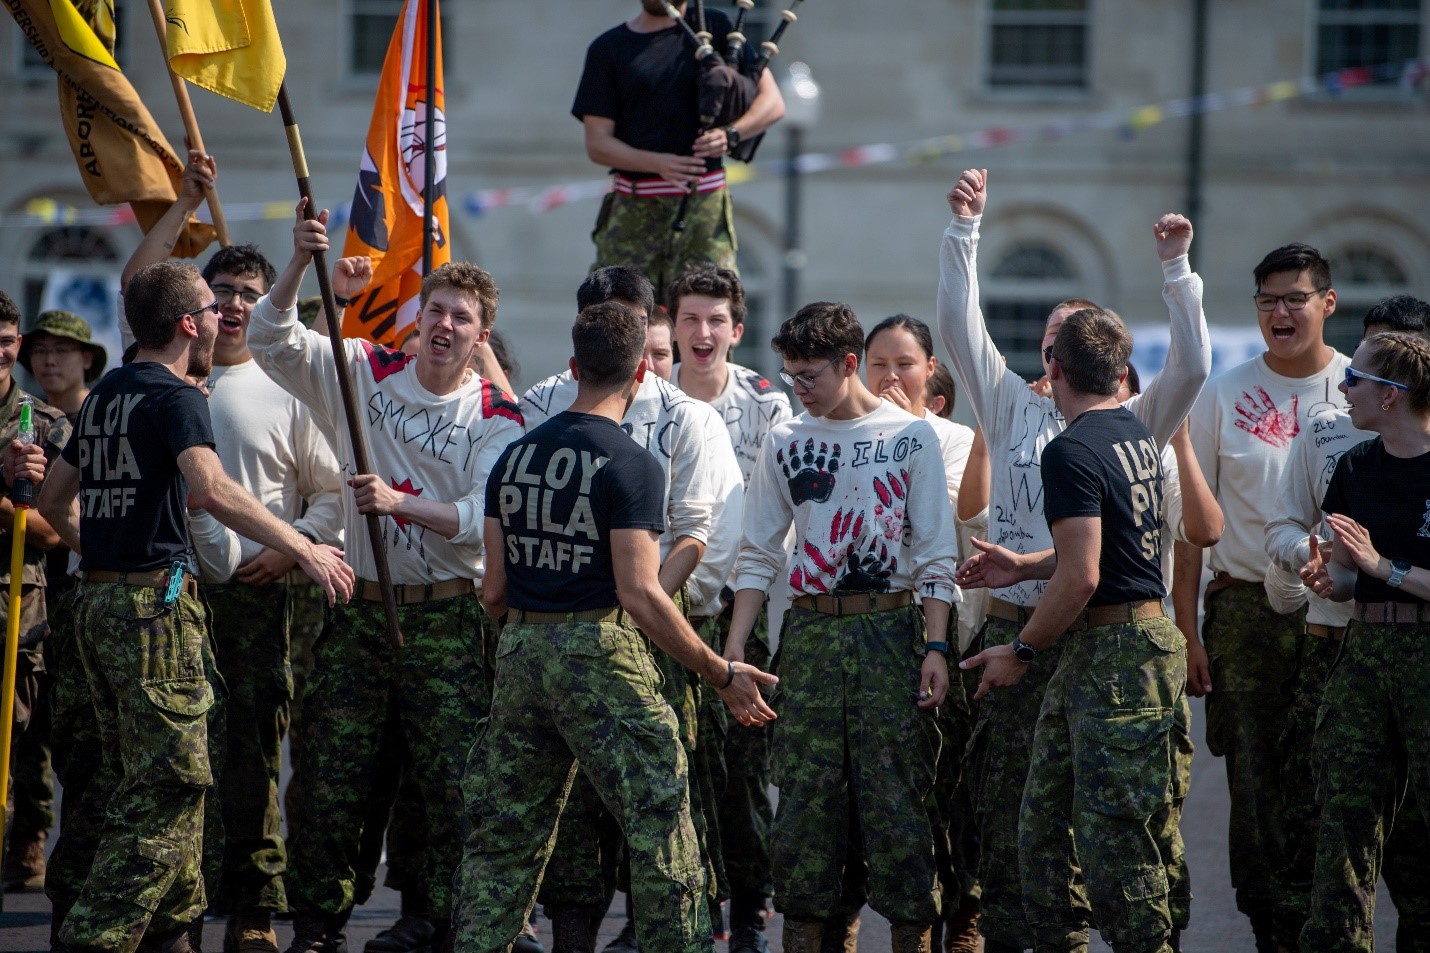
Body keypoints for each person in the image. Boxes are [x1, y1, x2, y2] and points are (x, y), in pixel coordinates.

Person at [29, 259, 353, 953]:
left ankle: (173, 933)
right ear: (186, 323)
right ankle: (94, 936)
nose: (221, 316)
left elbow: (53, 501)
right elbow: (208, 487)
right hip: (152, 613)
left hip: (98, 602)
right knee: (170, 786)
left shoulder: (107, 392)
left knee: (142, 777)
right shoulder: (177, 395)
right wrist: (304, 545)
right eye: (210, 307)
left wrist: (108, 551)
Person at [936, 168, 1210, 953]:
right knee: (1017, 818)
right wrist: (964, 229)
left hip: (1093, 633)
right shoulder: (1011, 403)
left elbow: (1191, 369)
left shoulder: (1129, 418)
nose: (1056, 341)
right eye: (1052, 330)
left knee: (1112, 823)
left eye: (1073, 332)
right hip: (1021, 622)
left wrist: (1178, 271)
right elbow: (958, 322)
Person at [452, 299, 778, 953]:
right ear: (640, 375)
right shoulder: (631, 464)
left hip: (521, 650)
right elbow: (641, 592)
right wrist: (720, 672)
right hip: (601, 651)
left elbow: (493, 590)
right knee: (662, 822)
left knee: (505, 834)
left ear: (574, 367)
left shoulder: (514, 457)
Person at [246, 205, 523, 953]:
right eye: (435, 311)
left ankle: (438, 919)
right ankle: (318, 924)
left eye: (461, 318)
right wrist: (300, 264)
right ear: (416, 317)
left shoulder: (496, 414)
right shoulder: (363, 370)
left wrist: (400, 503)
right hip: (362, 613)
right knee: (332, 777)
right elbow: (269, 339)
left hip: (447, 620)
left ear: (480, 337)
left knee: (450, 783)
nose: (444, 326)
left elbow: (481, 515)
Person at [122, 152, 348, 953]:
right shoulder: (165, 377)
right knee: (175, 755)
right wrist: (185, 198)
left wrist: (294, 551)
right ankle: (179, 903)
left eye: (251, 294)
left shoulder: (289, 387)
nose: (237, 306)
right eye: (222, 294)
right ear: (198, 309)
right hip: (172, 593)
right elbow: (138, 284)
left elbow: (331, 494)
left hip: (261, 596)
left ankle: (254, 901)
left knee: (251, 748)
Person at [725, 301, 959, 953]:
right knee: (806, 808)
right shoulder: (785, 439)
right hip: (811, 635)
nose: (799, 387)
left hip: (891, 631)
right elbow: (759, 551)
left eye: (810, 375)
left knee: (900, 803)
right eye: (791, 374)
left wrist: (936, 645)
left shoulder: (910, 436)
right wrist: (737, 644)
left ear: (848, 363)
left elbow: (936, 553)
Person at [520, 266, 741, 952]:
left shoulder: (688, 416)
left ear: (651, 328)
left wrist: (639, 608)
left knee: (663, 799)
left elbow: (696, 534)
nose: (619, 334)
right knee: (573, 801)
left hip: (657, 631)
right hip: (572, 629)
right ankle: (573, 933)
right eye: (603, 319)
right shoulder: (542, 404)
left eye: (632, 322)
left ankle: (658, 933)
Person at [961, 308, 1186, 953]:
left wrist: (1021, 649)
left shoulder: (1069, 449)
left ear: (1055, 368)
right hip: (1122, 648)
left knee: (1117, 849)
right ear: (1119, 374)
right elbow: (1101, 551)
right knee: (1044, 830)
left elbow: (1083, 576)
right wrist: (1025, 564)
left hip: (1118, 658)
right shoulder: (1133, 431)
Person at [1181, 241, 1351, 951]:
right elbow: (1192, 527)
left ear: (1327, 303)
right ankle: (1269, 927)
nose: (1281, 313)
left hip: (1341, 614)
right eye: (1267, 301)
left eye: (1295, 299)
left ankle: (1330, 918)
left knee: (1335, 771)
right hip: (1244, 610)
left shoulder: (1361, 391)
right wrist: (1189, 631)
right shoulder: (1222, 394)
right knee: (1253, 780)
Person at [1263, 296, 1430, 949]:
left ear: (1391, 395)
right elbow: (1348, 571)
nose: (1342, 387)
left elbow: (1381, 567)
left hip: (1423, 656)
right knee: (1343, 824)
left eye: (1355, 378)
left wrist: (1383, 566)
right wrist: (1327, 575)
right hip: (1365, 652)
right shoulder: (1357, 467)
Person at [668, 264, 792, 953]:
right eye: (690, 318)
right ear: (672, 325)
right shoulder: (651, 395)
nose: (703, 332)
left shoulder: (766, 405)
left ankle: (749, 907)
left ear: (736, 330)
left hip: (744, 612)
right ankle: (686, 902)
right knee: (674, 765)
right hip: (669, 608)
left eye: (716, 320)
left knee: (744, 770)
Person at [863, 313, 978, 952]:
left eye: (904, 365)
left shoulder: (952, 439)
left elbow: (953, 520)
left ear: (930, 371)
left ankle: (962, 920)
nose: (890, 377)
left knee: (948, 786)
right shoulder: (847, 435)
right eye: (878, 364)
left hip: (940, 626)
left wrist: (906, 428)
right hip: (871, 630)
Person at [572, 0, 784, 298]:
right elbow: (598, 144)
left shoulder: (716, 28)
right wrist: (658, 163)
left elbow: (772, 102)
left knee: (708, 307)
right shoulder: (608, 48)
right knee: (619, 308)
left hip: (703, 208)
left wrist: (731, 134)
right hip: (634, 210)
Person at [0, 295, 71, 898]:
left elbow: (57, 531)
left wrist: (11, 500)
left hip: (15, 616)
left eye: (6, 341)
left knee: (18, 745)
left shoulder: (43, 425)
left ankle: (25, 844)